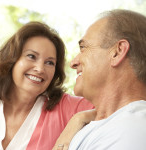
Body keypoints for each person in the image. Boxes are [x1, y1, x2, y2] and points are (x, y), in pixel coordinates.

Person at [0, 21, 94, 150]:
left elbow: (119, 106)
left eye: (49, 62)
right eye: (31, 56)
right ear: (12, 59)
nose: (40, 69)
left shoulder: (67, 107)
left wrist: (79, 118)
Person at [63, 9, 146, 150]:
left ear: (117, 52)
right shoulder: (110, 125)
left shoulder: (130, 131)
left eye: (83, 47)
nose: (73, 62)